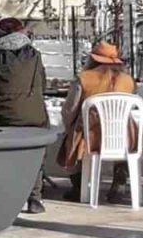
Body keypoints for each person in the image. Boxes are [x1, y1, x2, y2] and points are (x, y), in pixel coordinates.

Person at [0, 17, 48, 214]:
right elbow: (43, 85)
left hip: (1, 114)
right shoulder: (35, 55)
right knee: (38, 146)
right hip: (34, 116)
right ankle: (35, 199)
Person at [57, 42, 136, 204]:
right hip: (122, 137)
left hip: (91, 137)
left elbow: (69, 110)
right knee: (137, 135)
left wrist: (69, 126)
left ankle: (79, 185)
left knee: (69, 138)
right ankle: (120, 179)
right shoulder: (128, 80)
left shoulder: (84, 78)